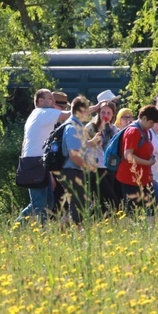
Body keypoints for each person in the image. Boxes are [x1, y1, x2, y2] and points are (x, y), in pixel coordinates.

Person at [17, 89, 71, 223]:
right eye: (50, 98)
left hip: (39, 162)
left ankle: (43, 231)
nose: (53, 101)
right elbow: (70, 115)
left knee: (48, 203)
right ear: (41, 101)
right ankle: (16, 226)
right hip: (34, 163)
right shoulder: (43, 112)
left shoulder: (37, 114)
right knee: (38, 204)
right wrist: (95, 107)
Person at [58, 96, 100, 225]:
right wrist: (89, 167)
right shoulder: (72, 128)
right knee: (78, 203)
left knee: (78, 201)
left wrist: (90, 143)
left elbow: (78, 146)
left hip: (73, 170)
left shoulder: (76, 125)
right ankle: (76, 230)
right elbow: (74, 154)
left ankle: (65, 227)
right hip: (71, 170)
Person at [116, 105, 158, 214]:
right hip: (130, 179)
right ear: (144, 118)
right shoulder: (133, 131)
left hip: (143, 179)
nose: (152, 126)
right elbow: (128, 156)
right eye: (151, 122)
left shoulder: (144, 130)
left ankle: (149, 230)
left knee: (150, 210)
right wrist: (148, 162)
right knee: (133, 212)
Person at [84, 101, 120, 212]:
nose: (105, 115)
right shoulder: (90, 127)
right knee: (111, 200)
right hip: (95, 167)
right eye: (103, 112)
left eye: (109, 113)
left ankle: (99, 223)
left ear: (113, 114)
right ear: (99, 113)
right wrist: (92, 141)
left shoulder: (114, 129)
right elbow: (80, 145)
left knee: (102, 202)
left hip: (110, 167)